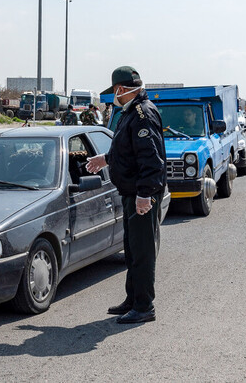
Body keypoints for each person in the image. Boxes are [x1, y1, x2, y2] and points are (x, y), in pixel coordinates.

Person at [86, 66, 166, 324]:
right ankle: (133, 299)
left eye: (114, 93)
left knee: (142, 252)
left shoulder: (142, 115)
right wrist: (106, 159)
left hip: (142, 194)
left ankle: (144, 306)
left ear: (121, 90)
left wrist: (145, 194)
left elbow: (151, 160)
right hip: (132, 191)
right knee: (132, 250)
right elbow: (128, 151)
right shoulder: (130, 112)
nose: (113, 97)